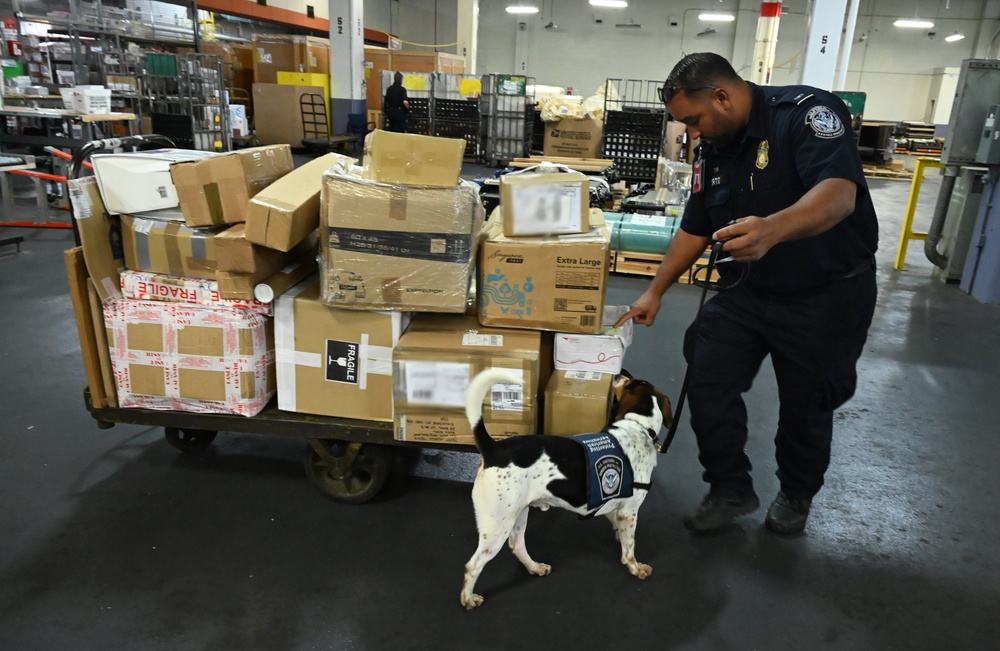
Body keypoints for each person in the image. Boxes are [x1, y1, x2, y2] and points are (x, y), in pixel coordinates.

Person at [615, 53, 878, 535]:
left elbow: (840, 195)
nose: (692, 133)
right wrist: (654, 291)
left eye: (693, 120)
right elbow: (695, 226)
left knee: (807, 404)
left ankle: (797, 493)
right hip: (752, 290)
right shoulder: (715, 147)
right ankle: (729, 487)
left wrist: (772, 230)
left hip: (827, 294)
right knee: (707, 371)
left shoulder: (805, 115)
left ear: (722, 96)